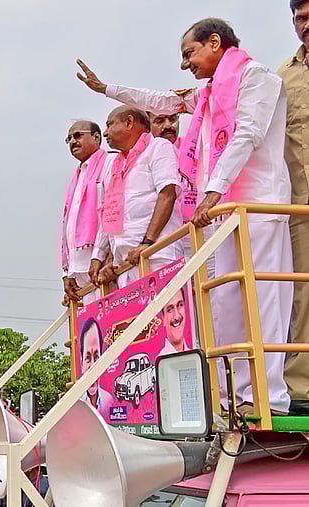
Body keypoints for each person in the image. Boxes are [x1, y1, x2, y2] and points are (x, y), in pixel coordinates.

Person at [78, 17, 293, 416]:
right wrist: (106, 88)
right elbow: (161, 101)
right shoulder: (208, 95)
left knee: (263, 297)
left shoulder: (257, 79)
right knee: (225, 301)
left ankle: (268, 396)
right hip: (220, 213)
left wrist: (213, 190)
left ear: (214, 42)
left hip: (256, 203)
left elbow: (248, 134)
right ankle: (233, 396)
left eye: (189, 54)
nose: (185, 65)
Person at [88, 106, 182, 289]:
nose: (105, 132)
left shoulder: (158, 147)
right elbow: (111, 213)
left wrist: (147, 243)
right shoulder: (114, 164)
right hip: (126, 264)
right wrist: (103, 258)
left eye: (109, 125)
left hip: (157, 255)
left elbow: (167, 194)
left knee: (165, 308)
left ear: (129, 122)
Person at [280, 0, 309, 416]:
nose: (305, 25)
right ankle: (302, 386)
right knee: (303, 293)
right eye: (300, 19)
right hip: (302, 204)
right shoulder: (282, 77)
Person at [61, 120, 115, 304]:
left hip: (103, 264)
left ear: (96, 137)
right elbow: (69, 226)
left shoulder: (110, 163)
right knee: (91, 321)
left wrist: (103, 256)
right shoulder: (77, 177)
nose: (73, 141)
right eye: (69, 139)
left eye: (77, 135)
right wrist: (67, 273)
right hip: (80, 269)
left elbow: (112, 210)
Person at [79, 318, 114, 418]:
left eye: (96, 357)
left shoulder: (109, 401)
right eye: (88, 358)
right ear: (81, 363)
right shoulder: (76, 403)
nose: (92, 366)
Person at [160, 288, 192, 356]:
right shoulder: (159, 361)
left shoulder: (195, 356)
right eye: (169, 309)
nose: (176, 317)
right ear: (163, 319)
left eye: (180, 305)